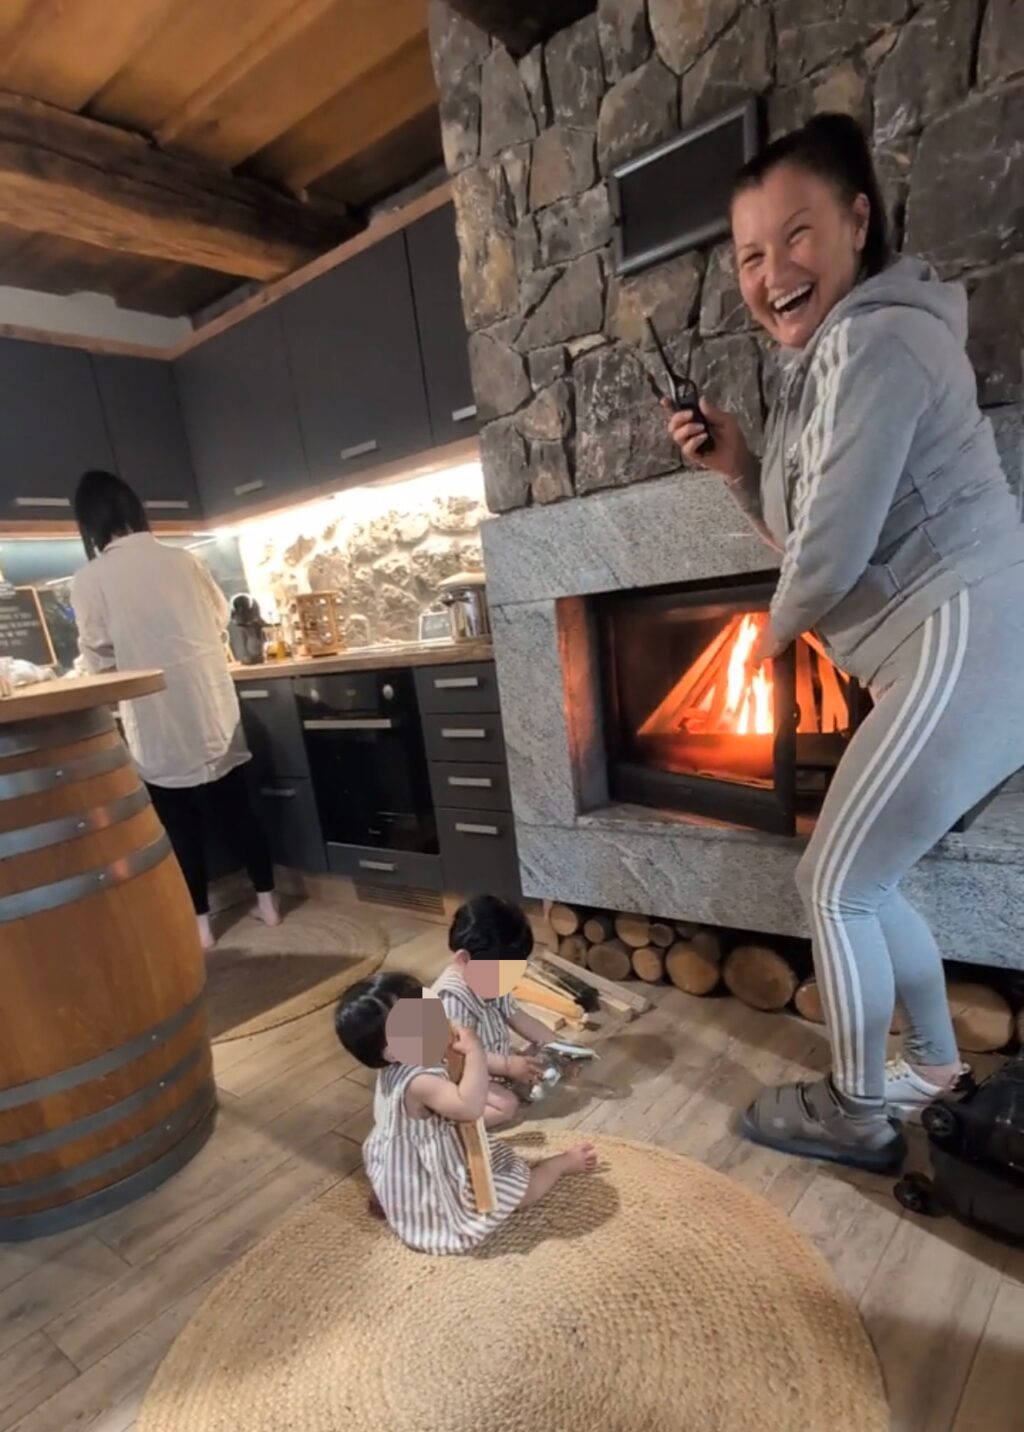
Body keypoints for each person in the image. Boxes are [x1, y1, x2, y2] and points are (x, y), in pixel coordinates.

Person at [666, 113, 1024, 1174]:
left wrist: (761, 645)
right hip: (946, 642)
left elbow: (826, 558)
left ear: (857, 221)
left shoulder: (879, 340)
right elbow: (811, 536)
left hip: (961, 632)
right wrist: (740, 467)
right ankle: (932, 1066)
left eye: (797, 235)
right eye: (750, 255)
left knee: (833, 883)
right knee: (870, 879)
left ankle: (857, 1112)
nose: (773, 273)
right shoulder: (832, 359)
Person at [70, 469, 280, 952]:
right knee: (238, 811)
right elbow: (219, 617)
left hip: (157, 721)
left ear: (90, 522)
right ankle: (268, 904)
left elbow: (97, 655)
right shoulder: (185, 561)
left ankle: (201, 927)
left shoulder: (91, 578)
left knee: (179, 827)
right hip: (211, 710)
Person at [334, 970, 597, 1254]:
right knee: (513, 1193)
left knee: (430, 1176)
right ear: (393, 1052)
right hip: (427, 1161)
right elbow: (469, 1108)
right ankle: (558, 1165)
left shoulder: (405, 1059)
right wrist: (475, 1054)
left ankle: (397, 1196)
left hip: (400, 1158)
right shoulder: (420, 1081)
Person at [432, 896, 556, 1128]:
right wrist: (508, 1066)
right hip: (460, 1075)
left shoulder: (494, 980)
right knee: (506, 1106)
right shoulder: (452, 997)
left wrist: (557, 1045)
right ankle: (447, 1126)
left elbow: (519, 1017)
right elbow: (460, 1055)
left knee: (540, 1060)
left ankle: (504, 1084)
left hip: (492, 1063)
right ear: (464, 960)